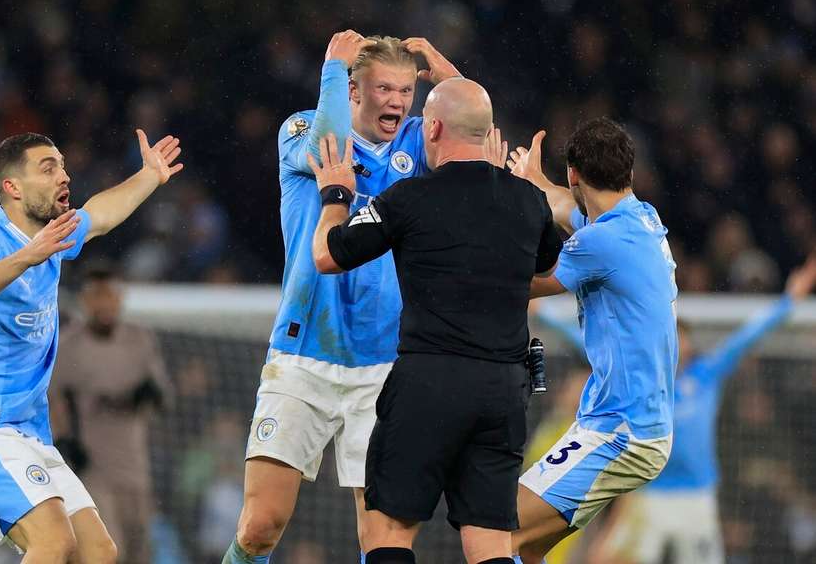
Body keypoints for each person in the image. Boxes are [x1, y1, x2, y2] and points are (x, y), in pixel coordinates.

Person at [224, 31, 461, 564]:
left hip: (384, 360)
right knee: (261, 525)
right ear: (353, 90)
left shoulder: (420, 141)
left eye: (406, 90)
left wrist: (448, 75)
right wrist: (331, 69)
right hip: (303, 351)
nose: (399, 101)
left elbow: (477, 138)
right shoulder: (302, 128)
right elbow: (330, 150)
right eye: (384, 89)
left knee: (381, 538)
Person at [309, 77, 563, 564]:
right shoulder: (529, 202)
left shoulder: (409, 198)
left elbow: (327, 255)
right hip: (503, 390)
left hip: (429, 382)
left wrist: (336, 194)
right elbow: (552, 271)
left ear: (433, 127)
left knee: (388, 530)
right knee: (489, 542)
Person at [0, 130, 184, 563]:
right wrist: (25, 256)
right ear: (13, 187)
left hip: (27, 430)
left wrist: (148, 177)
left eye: (62, 165)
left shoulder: (54, 235)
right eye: (48, 168)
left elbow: (99, 215)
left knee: (98, 552)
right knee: (53, 542)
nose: (64, 175)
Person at [507, 118, 678, 564]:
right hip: (622, 423)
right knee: (524, 548)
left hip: (622, 430)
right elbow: (567, 207)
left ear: (575, 173)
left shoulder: (602, 242)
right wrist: (534, 180)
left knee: (498, 534)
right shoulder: (640, 217)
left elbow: (518, 282)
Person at [585, 252, 816, 564]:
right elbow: (583, 341)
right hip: (652, 493)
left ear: (690, 345)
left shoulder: (706, 375)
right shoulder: (643, 381)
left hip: (698, 495)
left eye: (680, 339)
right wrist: (542, 312)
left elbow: (747, 338)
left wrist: (788, 301)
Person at [49, 263, 174, 564]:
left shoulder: (140, 340)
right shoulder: (68, 346)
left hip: (135, 467)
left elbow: (164, 399)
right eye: (97, 295)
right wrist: (64, 440)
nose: (104, 303)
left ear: (120, 298)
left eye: (110, 295)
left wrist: (150, 395)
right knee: (105, 549)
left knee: (139, 550)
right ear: (84, 301)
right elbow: (50, 400)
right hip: (92, 468)